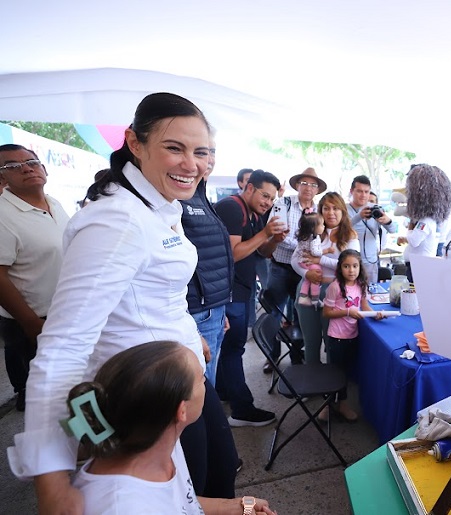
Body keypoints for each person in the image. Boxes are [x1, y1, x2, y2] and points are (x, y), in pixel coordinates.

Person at [8, 92, 241, 513]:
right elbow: (61, 351)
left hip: (182, 380)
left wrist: (189, 335)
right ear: (135, 142)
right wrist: (53, 481)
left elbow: (154, 292)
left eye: (201, 152)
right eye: (175, 148)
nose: (192, 164)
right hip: (144, 404)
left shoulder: (157, 203)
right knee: (195, 491)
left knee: (220, 474)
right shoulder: (116, 220)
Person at [66, 340, 275, 515]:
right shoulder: (121, 506)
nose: (206, 385)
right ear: (181, 410)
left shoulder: (160, 440)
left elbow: (181, 504)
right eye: (202, 379)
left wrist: (237, 506)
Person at [0, 144, 70, 412]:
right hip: (34, 322)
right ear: (2, 178)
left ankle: (82, 448)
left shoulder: (55, 203)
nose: (27, 168)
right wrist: (30, 323)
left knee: (73, 389)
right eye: (13, 166)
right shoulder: (3, 214)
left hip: (65, 313)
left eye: (31, 161)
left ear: (44, 169)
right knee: (51, 400)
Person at [214, 170, 287, 427]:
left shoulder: (255, 215)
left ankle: (224, 392)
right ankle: (242, 409)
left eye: (271, 199)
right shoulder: (232, 208)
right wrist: (265, 231)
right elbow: (233, 254)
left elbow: (262, 253)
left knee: (230, 349)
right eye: (264, 195)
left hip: (241, 291)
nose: (268, 202)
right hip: (228, 292)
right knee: (234, 349)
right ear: (249, 188)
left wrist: (274, 239)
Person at [180, 137, 233, 386]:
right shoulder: (177, 197)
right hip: (195, 312)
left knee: (206, 383)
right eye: (201, 151)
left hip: (211, 308)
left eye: (209, 151)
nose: (207, 159)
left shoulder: (198, 194)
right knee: (201, 387)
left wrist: (219, 307)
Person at [263, 167, 327, 370]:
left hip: (305, 273)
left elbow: (323, 238)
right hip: (280, 267)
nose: (308, 188)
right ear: (297, 185)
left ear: (318, 189)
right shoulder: (284, 203)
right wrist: (304, 245)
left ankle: (297, 357)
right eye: (305, 183)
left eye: (313, 184)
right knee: (274, 313)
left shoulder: (319, 210)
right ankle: (271, 357)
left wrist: (310, 249)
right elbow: (276, 233)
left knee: (302, 314)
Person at [292, 192, 360, 364]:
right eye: (326, 208)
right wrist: (306, 273)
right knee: (311, 341)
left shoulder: (350, 237)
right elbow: (295, 259)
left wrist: (319, 259)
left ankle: (332, 385)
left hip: (334, 294)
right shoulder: (311, 233)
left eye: (335, 208)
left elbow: (349, 266)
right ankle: (312, 379)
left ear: (343, 211)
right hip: (307, 289)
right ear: (320, 211)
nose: (331, 213)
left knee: (332, 342)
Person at [322, 250, 383, 422]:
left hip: (352, 336)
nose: (351, 270)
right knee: (335, 374)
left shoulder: (360, 285)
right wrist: (347, 311)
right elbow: (326, 312)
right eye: (346, 266)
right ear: (340, 268)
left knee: (346, 372)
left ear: (360, 267)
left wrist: (375, 313)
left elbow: (364, 305)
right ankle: (328, 406)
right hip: (337, 337)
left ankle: (341, 404)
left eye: (355, 266)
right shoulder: (335, 287)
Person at [396, 164, 451, 282]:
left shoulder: (426, 222)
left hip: (420, 268)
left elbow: (414, 240)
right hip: (416, 266)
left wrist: (410, 228)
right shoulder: (427, 221)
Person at [347, 175, 397, 284]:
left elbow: (393, 230)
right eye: (359, 191)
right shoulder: (344, 209)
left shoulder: (376, 208)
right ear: (351, 191)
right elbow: (341, 230)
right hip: (349, 262)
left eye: (366, 191)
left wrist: (387, 221)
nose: (363, 195)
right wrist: (359, 216)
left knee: (370, 293)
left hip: (371, 261)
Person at [295, 212, 331, 307]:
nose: (324, 226)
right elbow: (315, 252)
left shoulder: (304, 236)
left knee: (307, 279)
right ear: (313, 228)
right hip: (308, 262)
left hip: (301, 261)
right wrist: (326, 251)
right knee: (316, 276)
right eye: (322, 225)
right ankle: (315, 299)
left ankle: (303, 297)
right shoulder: (314, 239)